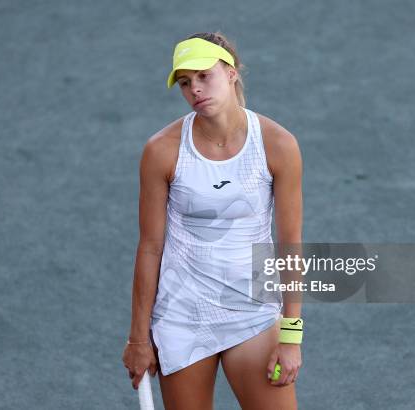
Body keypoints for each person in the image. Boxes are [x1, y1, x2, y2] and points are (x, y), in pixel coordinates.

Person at [122, 31, 304, 410]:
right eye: (185, 83)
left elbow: (290, 246)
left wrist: (291, 335)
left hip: (252, 312)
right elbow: (151, 247)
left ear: (232, 72)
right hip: (181, 317)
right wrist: (139, 339)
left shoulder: (277, 143)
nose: (195, 90)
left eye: (205, 76)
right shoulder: (161, 150)